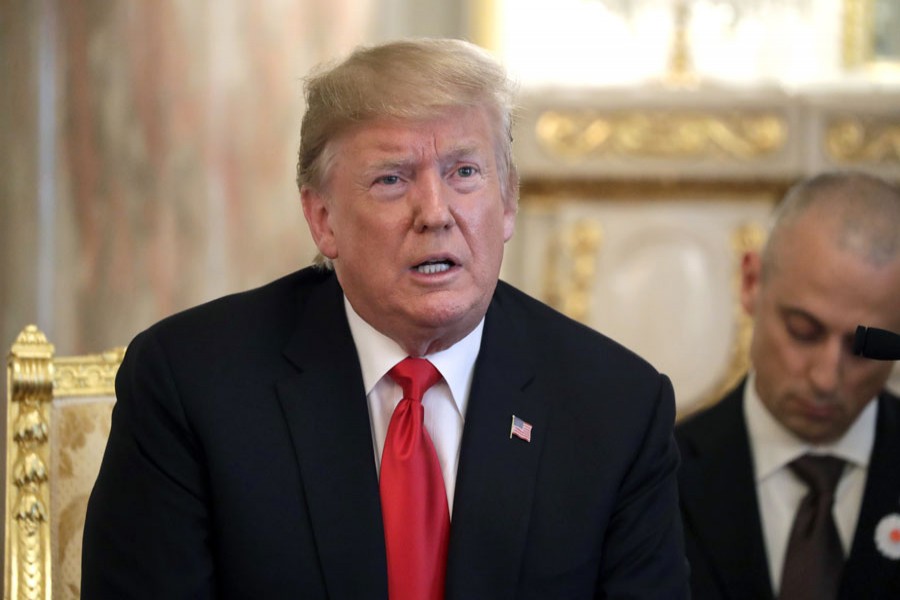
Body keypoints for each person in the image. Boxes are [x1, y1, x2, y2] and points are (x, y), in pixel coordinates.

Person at [82, 38, 688, 598]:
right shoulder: (192, 385)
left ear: (507, 203)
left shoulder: (617, 409)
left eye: (465, 173)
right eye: (392, 180)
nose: (435, 213)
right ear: (323, 220)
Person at [676, 171, 900, 599]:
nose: (825, 377)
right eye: (803, 330)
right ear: (751, 284)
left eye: (863, 348)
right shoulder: (661, 475)